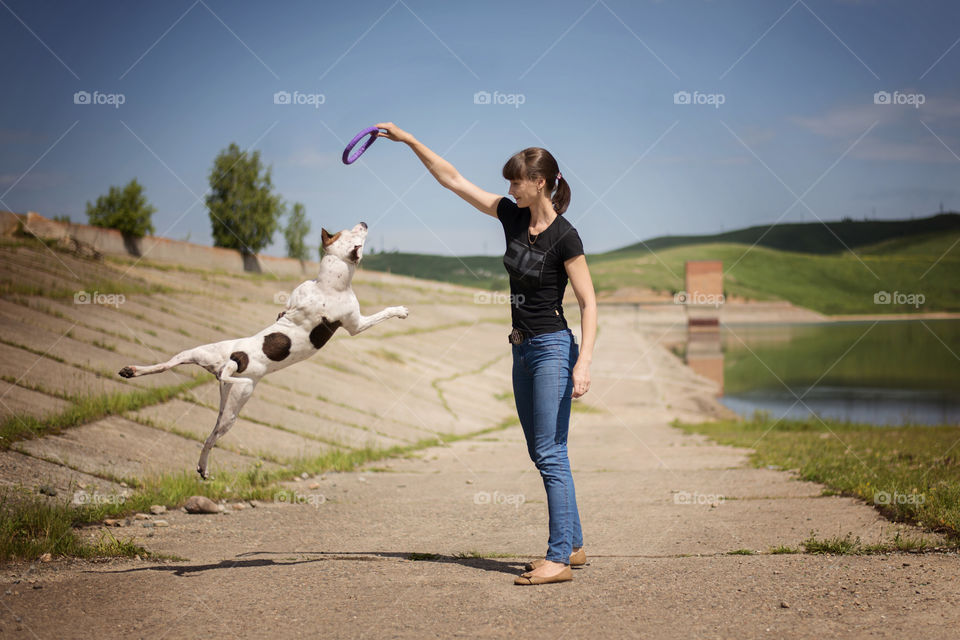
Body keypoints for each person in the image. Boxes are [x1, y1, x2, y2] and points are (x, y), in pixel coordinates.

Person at [375, 123, 598, 585]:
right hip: (521, 350)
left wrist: (584, 361)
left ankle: (557, 559)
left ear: (538, 183)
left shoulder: (566, 236)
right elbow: (452, 179)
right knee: (544, 451)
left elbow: (589, 302)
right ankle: (572, 546)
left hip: (553, 347)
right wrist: (412, 141)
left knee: (550, 453)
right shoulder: (512, 217)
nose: (509, 188)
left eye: (515, 180)